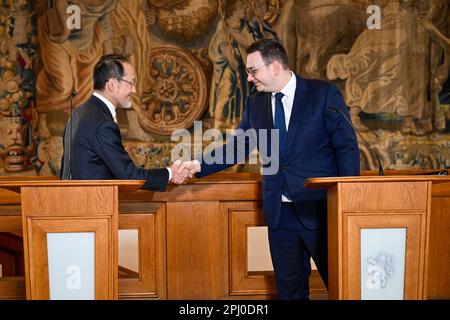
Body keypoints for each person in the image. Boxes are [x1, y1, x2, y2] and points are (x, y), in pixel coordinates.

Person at [181, 39, 360, 299]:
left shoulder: (323, 94)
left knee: (344, 286)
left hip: (322, 211)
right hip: (280, 216)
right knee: (289, 292)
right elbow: (237, 147)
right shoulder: (256, 104)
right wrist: (197, 164)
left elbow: (347, 148)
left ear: (275, 67)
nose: (249, 77)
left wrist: (349, 200)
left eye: (253, 71)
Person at [60, 54, 187, 189]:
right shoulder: (102, 123)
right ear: (112, 85)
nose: (134, 90)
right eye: (131, 83)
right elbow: (129, 176)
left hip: (75, 202)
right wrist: (170, 173)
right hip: (95, 205)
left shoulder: (78, 112)